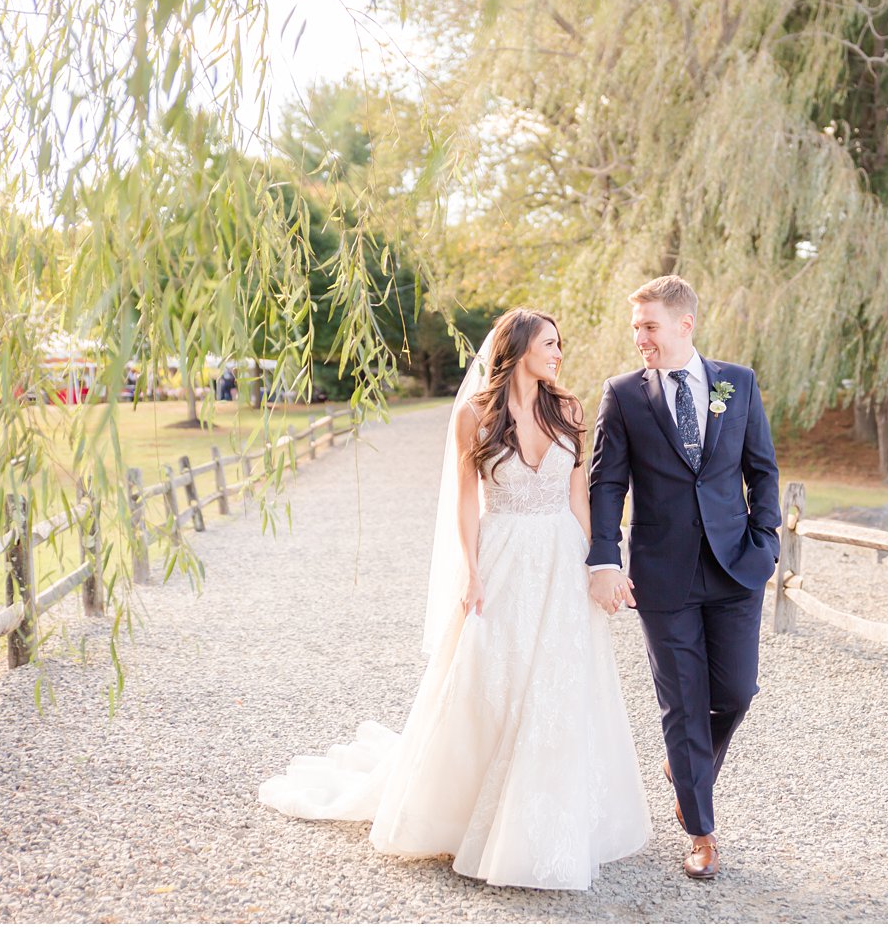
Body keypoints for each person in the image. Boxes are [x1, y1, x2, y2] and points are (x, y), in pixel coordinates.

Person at [259, 308, 650, 890]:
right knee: (492, 679)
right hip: (504, 555)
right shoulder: (474, 416)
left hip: (562, 556)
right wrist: (470, 573)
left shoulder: (566, 409)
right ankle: (470, 811)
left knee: (560, 680)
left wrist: (597, 563)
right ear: (518, 349)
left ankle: (547, 819)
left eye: (559, 344)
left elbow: (580, 495)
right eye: (549, 343)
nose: (558, 352)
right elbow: (467, 502)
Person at [587, 275, 780, 881]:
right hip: (662, 574)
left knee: (737, 692)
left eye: (649, 326)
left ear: (684, 324)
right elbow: (606, 483)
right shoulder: (622, 395)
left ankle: (686, 767)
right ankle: (701, 831)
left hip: (735, 567)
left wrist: (767, 542)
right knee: (682, 706)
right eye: (636, 326)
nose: (639, 337)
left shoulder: (737, 384)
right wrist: (604, 557)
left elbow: (763, 471)